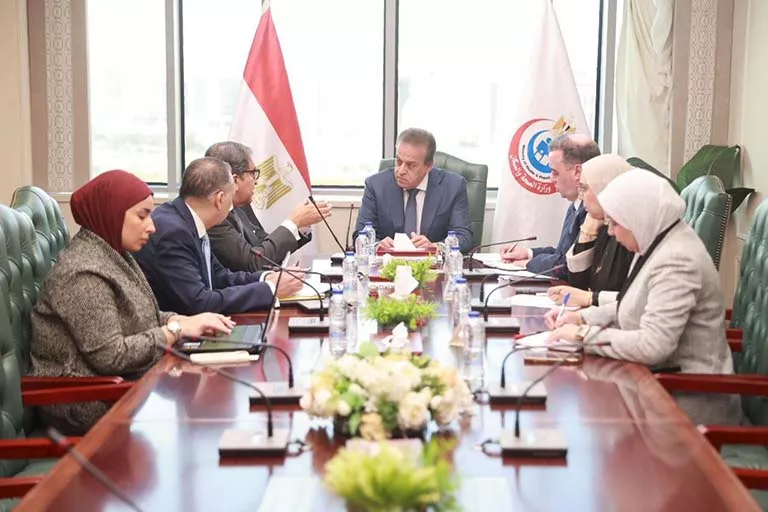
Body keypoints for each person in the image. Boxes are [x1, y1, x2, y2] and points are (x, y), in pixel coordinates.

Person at [29, 170, 235, 434]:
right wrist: (176, 330)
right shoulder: (83, 273)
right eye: (142, 215)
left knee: (208, 400)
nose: (152, 226)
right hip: (89, 403)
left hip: (123, 386)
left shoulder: (114, 253)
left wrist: (182, 320)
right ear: (113, 213)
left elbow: (143, 314)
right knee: (203, 413)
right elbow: (112, 356)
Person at [547, 169, 739, 426]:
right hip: (654, 386)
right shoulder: (655, 239)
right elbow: (632, 305)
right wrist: (581, 317)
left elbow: (652, 346)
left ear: (637, 217)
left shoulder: (676, 260)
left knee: (582, 418)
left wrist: (582, 335)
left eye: (615, 223)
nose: (611, 232)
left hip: (688, 402)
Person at [134, 157, 303, 315]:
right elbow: (199, 303)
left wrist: (267, 278)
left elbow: (219, 277)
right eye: (231, 196)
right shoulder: (174, 232)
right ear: (220, 199)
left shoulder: (187, 219)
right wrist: (270, 289)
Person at [204, 141, 332, 272]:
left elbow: (263, 245)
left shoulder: (240, 207)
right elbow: (252, 263)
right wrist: (293, 222)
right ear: (235, 180)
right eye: (253, 173)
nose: (257, 181)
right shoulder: (215, 218)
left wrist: (301, 226)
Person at [354, 128, 473, 252]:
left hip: (431, 262)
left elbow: (464, 237)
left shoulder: (453, 187)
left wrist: (436, 247)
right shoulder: (376, 185)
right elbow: (360, 235)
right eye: (399, 162)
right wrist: (377, 246)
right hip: (388, 262)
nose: (401, 171)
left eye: (411, 165)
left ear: (428, 166)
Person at [501, 134, 600, 279]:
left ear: (578, 172)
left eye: (555, 172)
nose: (551, 179)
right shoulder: (575, 204)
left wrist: (529, 263)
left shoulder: (593, 211)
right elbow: (563, 253)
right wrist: (529, 253)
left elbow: (567, 265)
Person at [547, 154, 635, 307]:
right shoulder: (602, 227)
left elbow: (636, 301)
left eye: (584, 188)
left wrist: (590, 298)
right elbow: (578, 283)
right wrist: (586, 235)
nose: (581, 197)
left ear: (605, 188)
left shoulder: (632, 234)